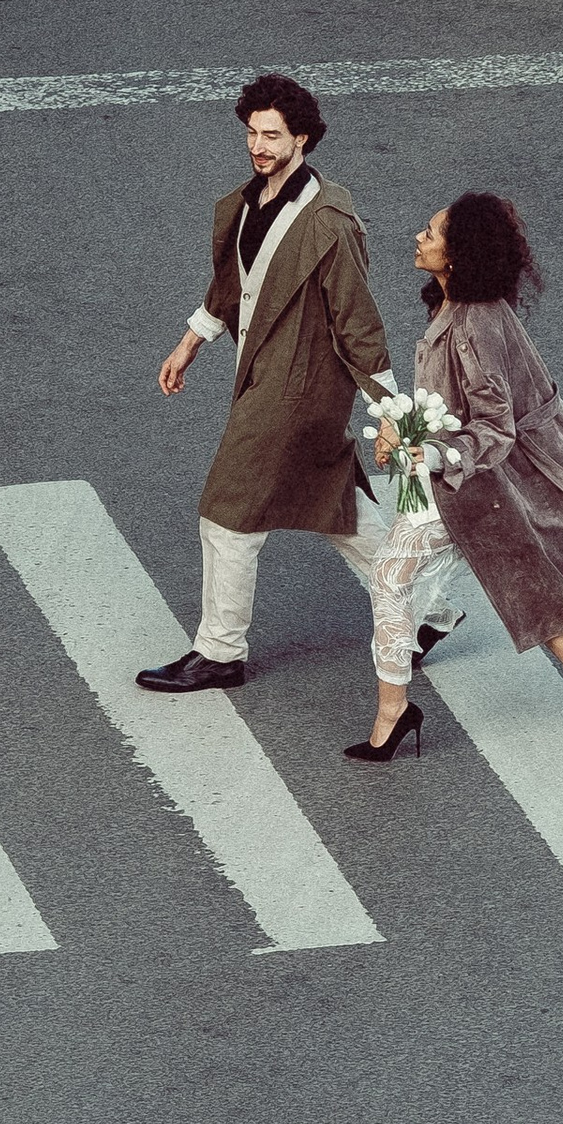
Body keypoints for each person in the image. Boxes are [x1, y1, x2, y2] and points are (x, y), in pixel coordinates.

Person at [135, 75, 428, 698]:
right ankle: (427, 609)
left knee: (229, 510)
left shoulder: (329, 222)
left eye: (272, 135)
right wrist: (191, 342)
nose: (258, 145)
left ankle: (220, 651)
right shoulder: (247, 201)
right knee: (333, 508)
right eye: (251, 132)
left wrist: (390, 412)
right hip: (266, 373)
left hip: (300, 390)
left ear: (303, 138)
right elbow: (235, 286)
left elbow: (358, 323)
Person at [361, 193, 563, 762]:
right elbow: (451, 403)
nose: (419, 237)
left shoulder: (473, 325)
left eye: (431, 233)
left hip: (469, 481)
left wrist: (425, 452)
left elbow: (495, 427)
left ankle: (394, 710)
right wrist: (403, 425)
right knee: (531, 586)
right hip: (473, 480)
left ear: (458, 255)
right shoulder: (459, 307)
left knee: (389, 577)